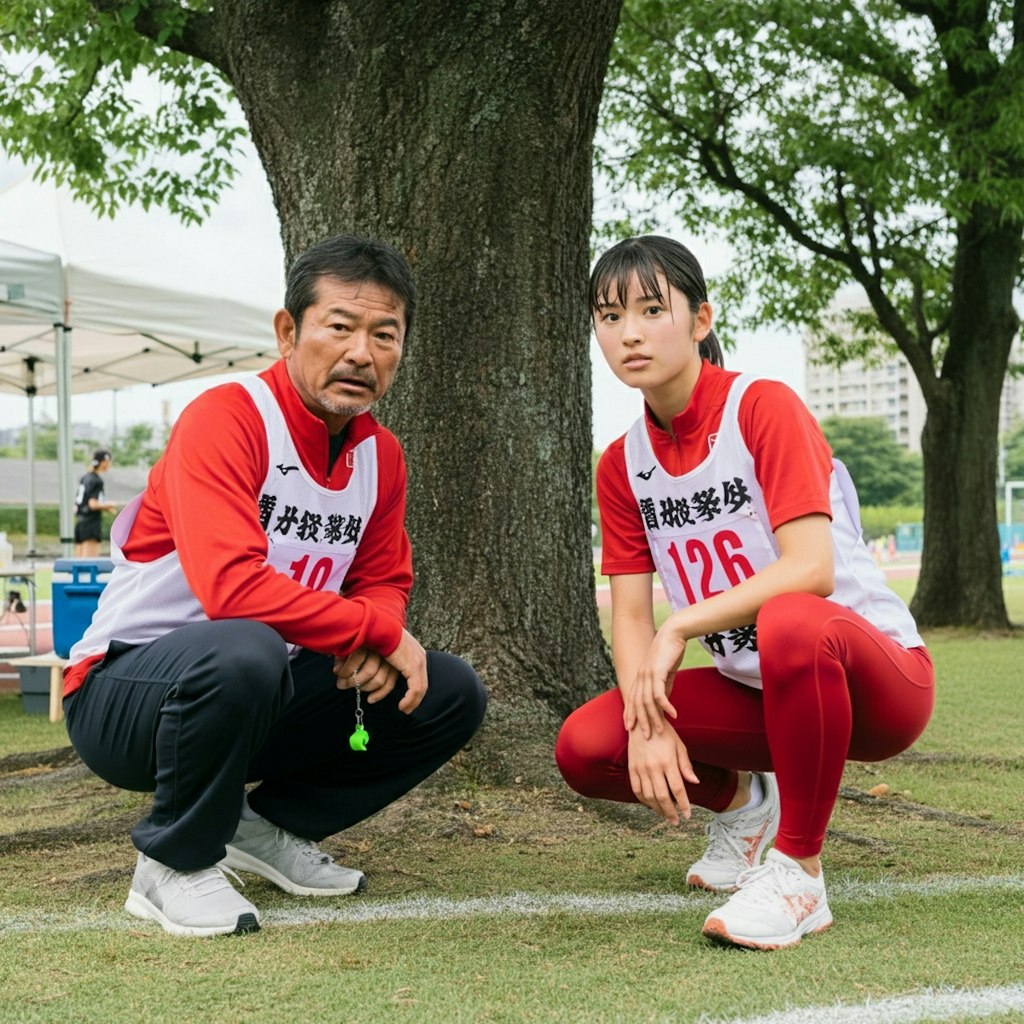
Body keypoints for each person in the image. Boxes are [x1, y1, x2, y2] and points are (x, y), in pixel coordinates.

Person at [62, 234, 487, 937]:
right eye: (340, 327)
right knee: (245, 646)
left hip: (260, 692)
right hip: (124, 693)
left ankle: (260, 828)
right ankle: (172, 863)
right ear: (289, 331)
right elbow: (231, 588)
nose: (362, 353)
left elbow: (382, 576)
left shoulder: (379, 454)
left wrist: (375, 627)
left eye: (386, 334)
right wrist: (374, 630)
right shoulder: (227, 418)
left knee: (446, 691)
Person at [555, 236, 933, 950]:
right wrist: (647, 720)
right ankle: (746, 806)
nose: (628, 331)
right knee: (590, 745)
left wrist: (682, 628)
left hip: (875, 681)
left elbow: (810, 568)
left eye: (651, 308)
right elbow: (632, 615)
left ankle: (798, 873)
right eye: (608, 316)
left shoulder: (762, 407)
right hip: (767, 697)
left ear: (701, 319)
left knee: (790, 619)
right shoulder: (622, 464)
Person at [73, 449, 118, 557]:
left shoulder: (85, 477)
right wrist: (110, 505)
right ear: (104, 462)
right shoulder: (96, 480)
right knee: (90, 563)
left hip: (80, 523)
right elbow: (92, 504)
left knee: (78, 563)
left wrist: (106, 508)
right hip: (91, 523)